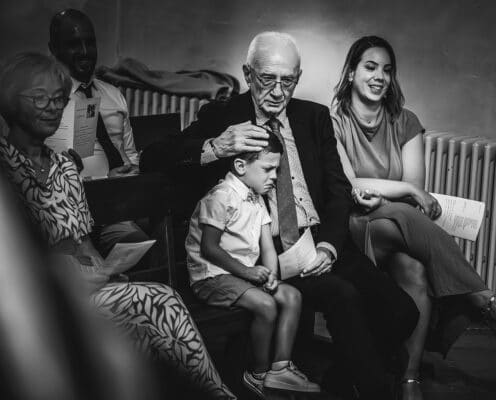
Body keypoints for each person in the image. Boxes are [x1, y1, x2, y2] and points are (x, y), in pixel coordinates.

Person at [141, 32, 419, 399]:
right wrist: (217, 146)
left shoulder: (314, 117)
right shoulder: (224, 116)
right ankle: (371, 388)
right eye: (266, 79)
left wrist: (329, 248)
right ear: (248, 73)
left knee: (402, 311)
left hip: (319, 244)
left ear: (298, 78)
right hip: (265, 256)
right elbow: (152, 158)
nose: (276, 91)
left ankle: (343, 375)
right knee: (344, 298)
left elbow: (338, 193)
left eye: (286, 81)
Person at [0, 51, 236, 400]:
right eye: (39, 97)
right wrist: (76, 279)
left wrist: (108, 268)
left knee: (161, 299)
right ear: (10, 101)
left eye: (59, 98)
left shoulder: (65, 167)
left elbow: (83, 243)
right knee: (152, 306)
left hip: (87, 288)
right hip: (42, 304)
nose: (52, 106)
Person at [331, 35, 496, 400]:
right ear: (350, 73)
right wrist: (408, 193)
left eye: (387, 70)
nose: (380, 76)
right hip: (358, 225)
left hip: (399, 224)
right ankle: (484, 299)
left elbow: (413, 183)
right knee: (403, 214)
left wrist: (405, 193)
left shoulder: (405, 121)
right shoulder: (332, 121)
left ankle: (409, 380)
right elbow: (353, 184)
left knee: (416, 272)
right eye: (370, 66)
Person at [186, 132, 320, 397]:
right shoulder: (221, 196)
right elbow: (209, 248)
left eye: (277, 170)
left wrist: (270, 274)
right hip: (211, 277)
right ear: (240, 166)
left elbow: (267, 247)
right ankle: (257, 373)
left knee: (292, 295)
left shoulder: (257, 199)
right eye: (268, 169)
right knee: (266, 304)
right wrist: (248, 272)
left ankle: (280, 369)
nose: (274, 176)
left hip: (241, 277)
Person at [48, 8, 147, 254]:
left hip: (127, 201)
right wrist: (107, 183)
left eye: (89, 43)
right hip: (78, 212)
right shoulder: (48, 104)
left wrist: (134, 175)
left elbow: (130, 154)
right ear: (54, 49)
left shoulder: (113, 95)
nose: (84, 52)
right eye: (73, 44)